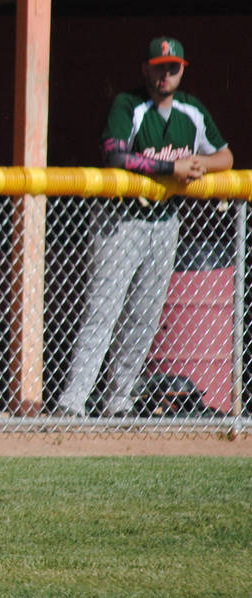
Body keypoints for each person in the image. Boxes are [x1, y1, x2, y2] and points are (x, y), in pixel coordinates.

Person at [54, 37, 233, 418]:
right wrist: (173, 168)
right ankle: (72, 402)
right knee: (103, 311)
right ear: (145, 69)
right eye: (158, 67)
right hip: (120, 219)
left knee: (145, 315)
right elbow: (114, 154)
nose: (165, 74)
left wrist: (200, 165)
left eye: (172, 67)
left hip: (164, 221)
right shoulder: (128, 105)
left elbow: (226, 155)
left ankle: (119, 402)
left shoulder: (191, 110)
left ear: (182, 70)